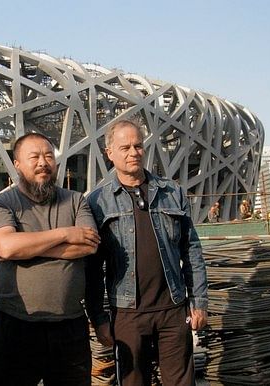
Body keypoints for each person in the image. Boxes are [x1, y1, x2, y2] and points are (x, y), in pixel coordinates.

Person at [85, 120, 208, 386]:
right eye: (125, 147)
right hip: (127, 313)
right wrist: (98, 318)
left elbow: (192, 250)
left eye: (138, 145)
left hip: (173, 308)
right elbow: (92, 268)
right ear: (110, 153)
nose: (133, 152)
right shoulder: (97, 201)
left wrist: (198, 301)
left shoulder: (171, 192)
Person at [0, 132, 101, 386]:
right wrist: (65, 233)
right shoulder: (1, 203)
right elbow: (7, 247)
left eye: (48, 156)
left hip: (69, 326)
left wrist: (27, 246)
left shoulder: (76, 200)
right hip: (15, 325)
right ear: (17, 164)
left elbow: (88, 246)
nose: (43, 163)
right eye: (34, 157)